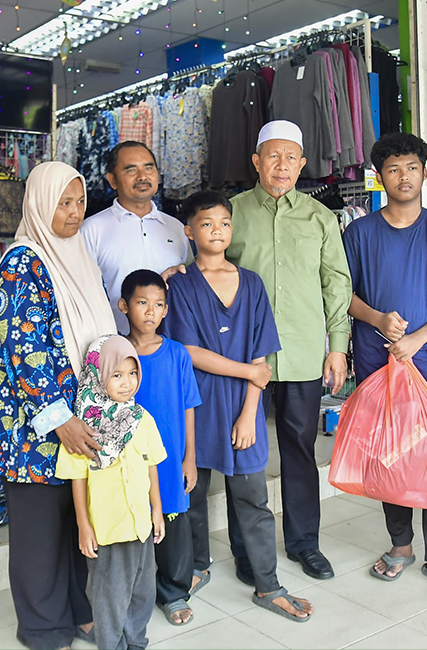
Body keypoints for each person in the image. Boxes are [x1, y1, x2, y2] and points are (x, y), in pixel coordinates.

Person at [0, 162, 112, 649]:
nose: (73, 214)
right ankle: (42, 628)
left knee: (75, 520)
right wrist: (61, 420)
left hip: (78, 418)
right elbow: (23, 354)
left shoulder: (76, 256)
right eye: (62, 203)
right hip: (35, 429)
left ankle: (77, 610)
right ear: (38, 203)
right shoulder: (23, 263)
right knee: (38, 535)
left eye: (78, 202)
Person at [343, 132, 427, 597]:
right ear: (380, 177)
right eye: (393, 169)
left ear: (424, 173)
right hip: (378, 370)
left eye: (411, 168)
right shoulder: (359, 233)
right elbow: (345, 298)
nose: (403, 177)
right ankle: (400, 546)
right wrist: (379, 319)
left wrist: (420, 338)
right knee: (391, 460)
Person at [167, 190, 313, 623]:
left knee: (252, 496)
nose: (218, 230)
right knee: (191, 492)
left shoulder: (251, 283)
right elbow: (188, 351)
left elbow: (261, 357)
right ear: (190, 231)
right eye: (207, 223)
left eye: (225, 223)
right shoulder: (179, 284)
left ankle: (268, 584)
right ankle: (195, 568)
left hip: (241, 408)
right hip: (195, 404)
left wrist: (251, 410)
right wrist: (249, 374)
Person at [227, 120, 352, 581]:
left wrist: (337, 349)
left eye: (290, 158)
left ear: (302, 164)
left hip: (301, 354)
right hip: (245, 360)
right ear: (256, 161)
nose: (281, 166)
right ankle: (248, 549)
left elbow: (336, 285)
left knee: (299, 451)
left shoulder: (320, 218)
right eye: (272, 156)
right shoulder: (231, 213)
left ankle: (304, 543)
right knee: (244, 454)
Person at [56, 335, 167, 650]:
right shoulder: (82, 430)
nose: (127, 382)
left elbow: (151, 466)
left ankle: (136, 642)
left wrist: (156, 510)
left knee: (143, 591)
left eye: (132, 373)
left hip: (140, 526)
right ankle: (111, 644)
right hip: (107, 529)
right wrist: (84, 526)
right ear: (97, 374)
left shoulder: (141, 419)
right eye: (116, 374)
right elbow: (77, 478)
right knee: (110, 598)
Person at [119, 269, 202, 626]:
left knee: (173, 522)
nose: (150, 312)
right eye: (142, 303)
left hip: (169, 460)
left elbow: (188, 406)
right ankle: (133, 592)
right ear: (124, 306)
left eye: (158, 305)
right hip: (129, 459)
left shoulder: (177, 354)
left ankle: (173, 591)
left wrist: (191, 458)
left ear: (166, 311)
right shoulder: (116, 354)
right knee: (131, 521)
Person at [82, 141, 193, 334]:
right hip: (113, 346)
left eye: (148, 168)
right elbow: (83, 295)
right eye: (131, 170)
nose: (143, 176)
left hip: (169, 345)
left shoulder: (176, 228)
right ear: (112, 180)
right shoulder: (92, 230)